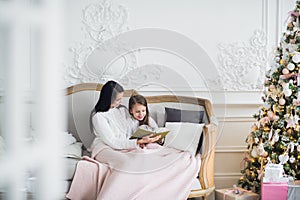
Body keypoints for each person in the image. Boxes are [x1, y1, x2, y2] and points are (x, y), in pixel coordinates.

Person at [89, 80, 161, 158]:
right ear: (109, 99)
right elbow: (112, 141)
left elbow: (132, 126)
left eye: (121, 98)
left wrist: (143, 138)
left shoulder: (122, 110)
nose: (121, 102)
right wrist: (138, 141)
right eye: (118, 100)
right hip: (106, 147)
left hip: (126, 145)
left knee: (150, 154)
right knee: (129, 161)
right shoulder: (98, 117)